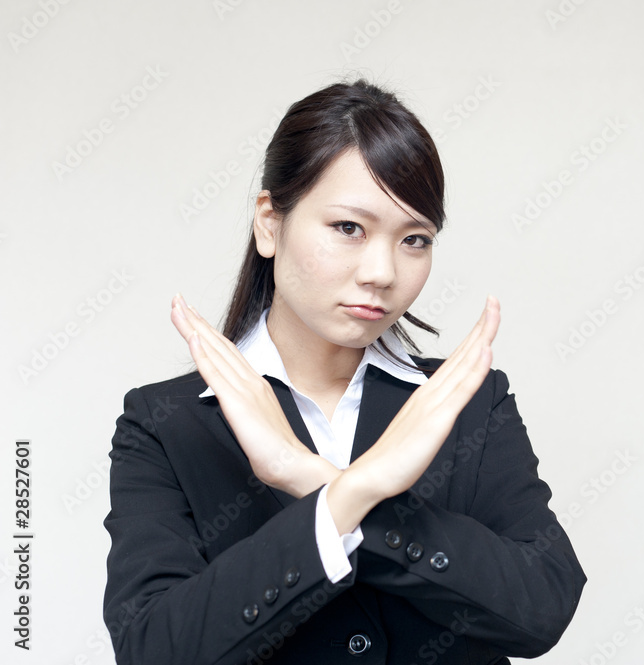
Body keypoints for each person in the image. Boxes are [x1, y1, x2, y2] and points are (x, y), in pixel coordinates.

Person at [102, 79, 586, 664]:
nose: (381, 271)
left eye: (414, 239)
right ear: (269, 223)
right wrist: (344, 501)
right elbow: (155, 650)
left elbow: (542, 607)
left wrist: (309, 478)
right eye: (349, 228)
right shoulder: (167, 424)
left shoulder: (469, 401)